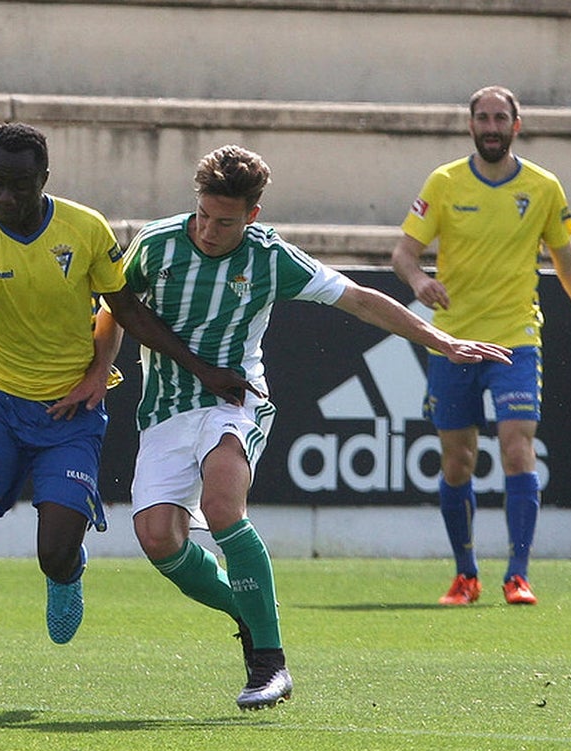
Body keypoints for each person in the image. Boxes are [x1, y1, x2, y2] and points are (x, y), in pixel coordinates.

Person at [88, 144, 512, 710]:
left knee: (221, 507)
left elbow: (359, 300)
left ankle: (269, 664)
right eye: (205, 215)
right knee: (158, 539)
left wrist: (441, 339)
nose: (210, 231)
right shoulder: (158, 242)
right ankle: (251, 607)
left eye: (226, 221)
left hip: (235, 402)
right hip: (165, 410)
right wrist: (99, 372)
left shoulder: (269, 257)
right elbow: (116, 308)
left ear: (253, 217)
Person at [0, 122, 251, 711]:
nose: (5, 198)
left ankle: (68, 571)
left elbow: (127, 311)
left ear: (44, 180)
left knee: (53, 553)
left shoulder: (85, 230)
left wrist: (200, 368)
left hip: (72, 412)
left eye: (19, 185)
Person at [391, 85, 571, 606]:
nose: (491, 126)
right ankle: (466, 574)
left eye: (500, 118)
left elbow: (567, 262)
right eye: (482, 118)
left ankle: (518, 575)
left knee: (517, 447)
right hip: (453, 341)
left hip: (517, 337)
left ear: (516, 125)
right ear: (470, 125)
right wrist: (419, 282)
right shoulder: (444, 183)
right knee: (457, 462)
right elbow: (403, 253)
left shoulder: (542, 187)